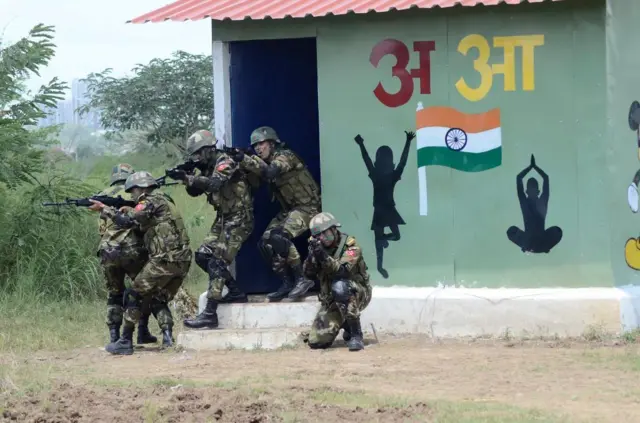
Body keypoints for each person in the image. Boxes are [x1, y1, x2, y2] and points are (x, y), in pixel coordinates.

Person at [89, 171, 192, 355]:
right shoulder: (165, 200)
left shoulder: (148, 201)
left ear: (140, 189)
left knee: (133, 293)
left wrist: (104, 209)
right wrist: (130, 209)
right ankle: (168, 338)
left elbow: (126, 221)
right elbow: (148, 222)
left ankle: (125, 340)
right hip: (183, 259)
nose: (132, 196)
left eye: (133, 192)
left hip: (164, 260)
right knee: (158, 296)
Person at [172, 129, 255, 330]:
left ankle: (210, 313)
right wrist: (187, 178)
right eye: (195, 155)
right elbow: (194, 192)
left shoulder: (225, 162)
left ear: (210, 149)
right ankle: (235, 291)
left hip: (239, 218)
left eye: (199, 153)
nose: (197, 158)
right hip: (224, 218)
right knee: (202, 256)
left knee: (217, 262)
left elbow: (215, 184)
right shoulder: (207, 166)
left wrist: (191, 178)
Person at [234, 126, 321, 301]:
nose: (259, 148)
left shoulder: (286, 156)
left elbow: (270, 171)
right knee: (265, 242)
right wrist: (240, 162)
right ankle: (287, 282)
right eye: (255, 146)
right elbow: (255, 182)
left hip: (308, 207)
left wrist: (246, 159)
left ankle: (302, 279)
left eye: (262, 144)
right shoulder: (264, 161)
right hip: (290, 210)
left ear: (272, 143)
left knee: (278, 236)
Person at [95, 164, 158, 345]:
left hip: (108, 251)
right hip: (134, 250)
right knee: (141, 291)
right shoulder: (137, 195)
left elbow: (102, 229)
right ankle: (142, 331)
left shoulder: (102, 195)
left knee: (114, 294)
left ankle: (114, 336)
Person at [303, 212, 372, 352]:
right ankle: (345, 323)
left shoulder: (351, 246)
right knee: (316, 341)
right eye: (318, 235)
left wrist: (323, 256)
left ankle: (356, 334)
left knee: (340, 286)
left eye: (325, 233)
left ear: (334, 229)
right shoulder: (318, 247)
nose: (322, 238)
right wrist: (313, 256)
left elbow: (341, 272)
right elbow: (308, 274)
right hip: (332, 298)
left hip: (357, 293)